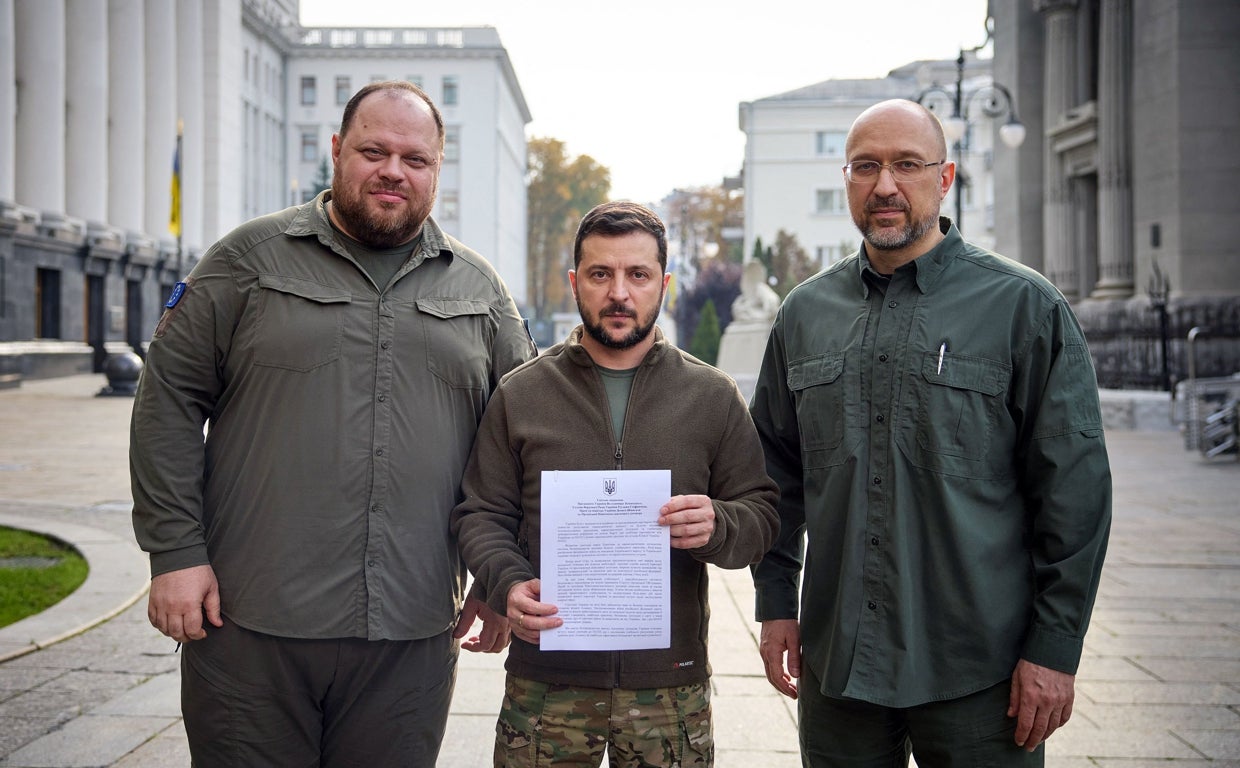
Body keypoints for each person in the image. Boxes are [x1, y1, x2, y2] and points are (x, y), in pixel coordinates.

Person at [129, 80, 536, 766]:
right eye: (374, 151)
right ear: (337, 151)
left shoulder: (479, 290)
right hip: (250, 624)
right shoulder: (246, 262)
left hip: (409, 636)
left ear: (438, 169)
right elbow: (167, 399)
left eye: (416, 159)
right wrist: (175, 554)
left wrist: (502, 574)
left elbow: (518, 447)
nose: (393, 172)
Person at [749, 99, 1112, 766]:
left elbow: (1074, 492)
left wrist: (1054, 649)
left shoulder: (1023, 308)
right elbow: (773, 476)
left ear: (944, 180)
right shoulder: (804, 314)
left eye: (907, 165)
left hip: (982, 671)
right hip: (841, 667)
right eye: (866, 166)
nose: (885, 185)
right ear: (848, 179)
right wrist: (776, 601)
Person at [451, 201, 779, 767]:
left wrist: (719, 524)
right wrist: (506, 583)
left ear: (664, 285)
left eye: (638, 275)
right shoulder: (522, 393)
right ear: (576, 282)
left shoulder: (711, 396)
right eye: (601, 274)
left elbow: (763, 513)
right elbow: (480, 512)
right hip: (546, 685)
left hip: (669, 687)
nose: (619, 293)